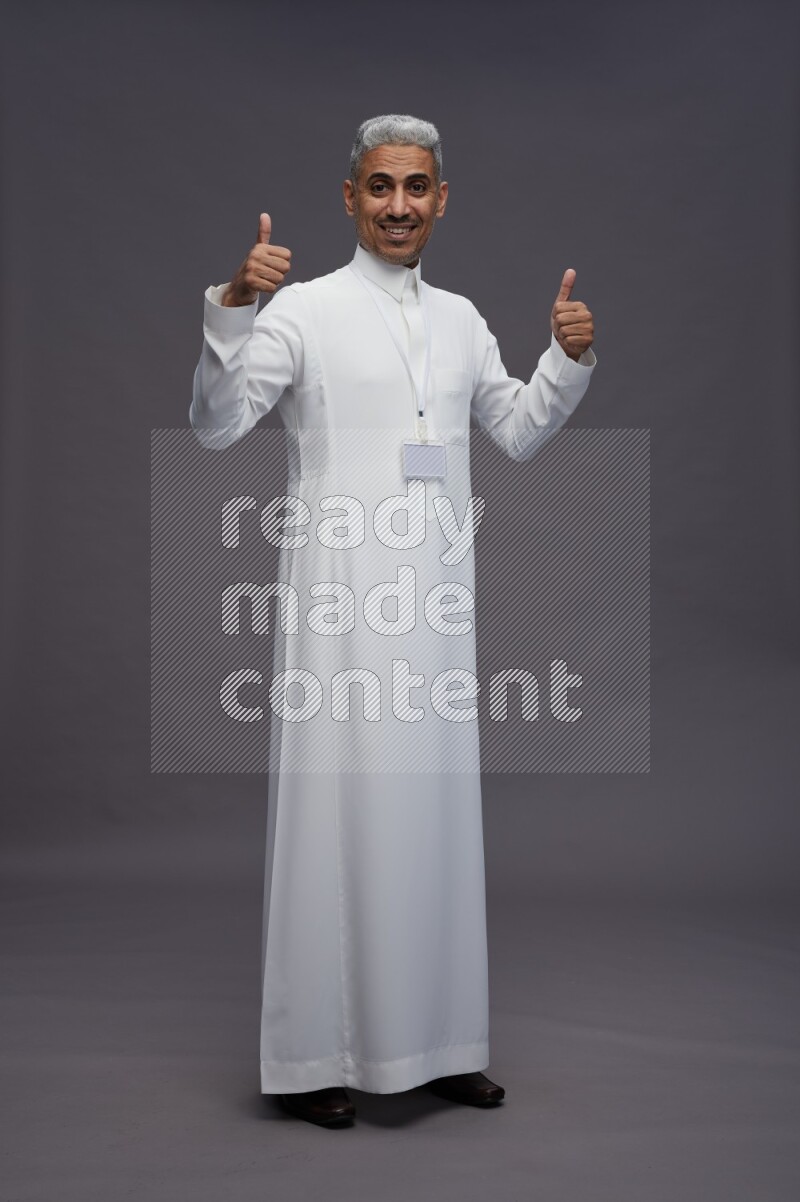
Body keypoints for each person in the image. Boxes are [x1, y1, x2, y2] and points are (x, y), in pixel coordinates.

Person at [190, 114, 596, 1128]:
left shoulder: (458, 319)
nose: (399, 205)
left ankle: (437, 1044)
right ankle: (314, 1057)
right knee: (336, 818)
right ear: (350, 197)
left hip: (434, 603)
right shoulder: (305, 312)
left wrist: (563, 359)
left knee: (434, 819)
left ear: (441, 198)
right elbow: (215, 422)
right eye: (380, 187)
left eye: (416, 187)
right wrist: (235, 307)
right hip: (337, 599)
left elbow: (512, 428)